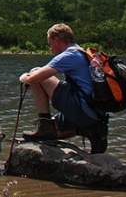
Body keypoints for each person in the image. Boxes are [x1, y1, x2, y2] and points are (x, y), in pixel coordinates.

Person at [18, 23, 109, 154]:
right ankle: (89, 130)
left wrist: (24, 77)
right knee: (53, 130)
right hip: (94, 114)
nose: (50, 49)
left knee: (34, 71)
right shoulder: (81, 52)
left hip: (82, 110)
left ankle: (44, 124)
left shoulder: (68, 55)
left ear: (57, 40)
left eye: (50, 44)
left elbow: (34, 79)